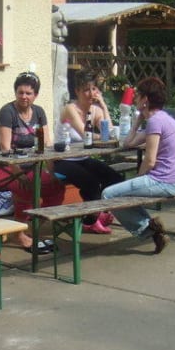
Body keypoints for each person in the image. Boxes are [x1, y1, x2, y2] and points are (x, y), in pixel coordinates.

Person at [101, 77, 175, 254]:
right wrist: (138, 121)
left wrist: (138, 179)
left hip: (166, 181)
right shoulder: (161, 119)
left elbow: (150, 161)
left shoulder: (156, 121)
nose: (134, 98)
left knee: (108, 194)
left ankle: (149, 229)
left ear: (145, 100)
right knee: (123, 193)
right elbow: (128, 143)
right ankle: (152, 229)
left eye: (138, 95)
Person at [0, 70, 63, 253]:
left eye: (28, 93)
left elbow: (46, 144)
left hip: (31, 167)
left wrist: (51, 172)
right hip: (5, 168)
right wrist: (18, 173)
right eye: (20, 92)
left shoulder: (39, 112)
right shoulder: (7, 112)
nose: (24, 97)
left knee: (57, 187)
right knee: (29, 186)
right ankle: (20, 233)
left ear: (35, 95)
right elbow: (5, 150)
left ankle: (34, 224)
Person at [55, 69, 124, 233]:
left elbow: (110, 134)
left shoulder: (96, 110)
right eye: (86, 89)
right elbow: (85, 135)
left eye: (93, 89)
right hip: (63, 159)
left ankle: (99, 212)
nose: (90, 93)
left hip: (82, 158)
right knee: (92, 184)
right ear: (77, 91)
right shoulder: (70, 109)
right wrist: (102, 136)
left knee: (115, 178)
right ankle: (89, 220)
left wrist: (104, 106)